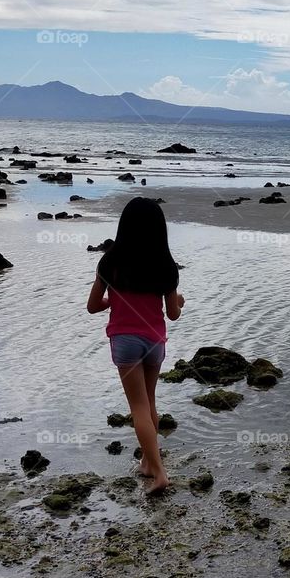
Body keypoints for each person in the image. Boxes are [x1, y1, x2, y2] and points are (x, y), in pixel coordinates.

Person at [87, 197, 184, 494]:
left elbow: (92, 306)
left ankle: (159, 473)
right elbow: (172, 314)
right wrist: (180, 301)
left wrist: (112, 300)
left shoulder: (110, 262)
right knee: (150, 403)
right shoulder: (165, 265)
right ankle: (147, 462)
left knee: (138, 407)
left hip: (125, 341)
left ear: (124, 227)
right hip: (155, 341)